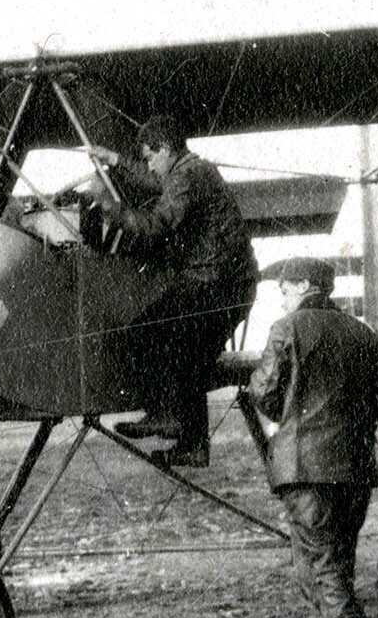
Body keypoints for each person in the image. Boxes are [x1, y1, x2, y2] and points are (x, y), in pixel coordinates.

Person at [248, 257, 378, 618]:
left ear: (303, 286)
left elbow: (265, 392)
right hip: (356, 462)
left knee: (319, 558)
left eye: (285, 288)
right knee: (338, 553)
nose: (283, 297)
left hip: (303, 463)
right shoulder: (363, 333)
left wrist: (291, 412)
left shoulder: (287, 329)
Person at [83, 116, 258, 468]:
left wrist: (112, 212)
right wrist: (116, 160)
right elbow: (156, 180)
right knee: (189, 356)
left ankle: (163, 413)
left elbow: (156, 225)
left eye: (149, 156)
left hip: (215, 282)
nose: (149, 164)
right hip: (232, 284)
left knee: (144, 330)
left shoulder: (187, 175)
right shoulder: (191, 170)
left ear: (164, 149)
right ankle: (192, 446)